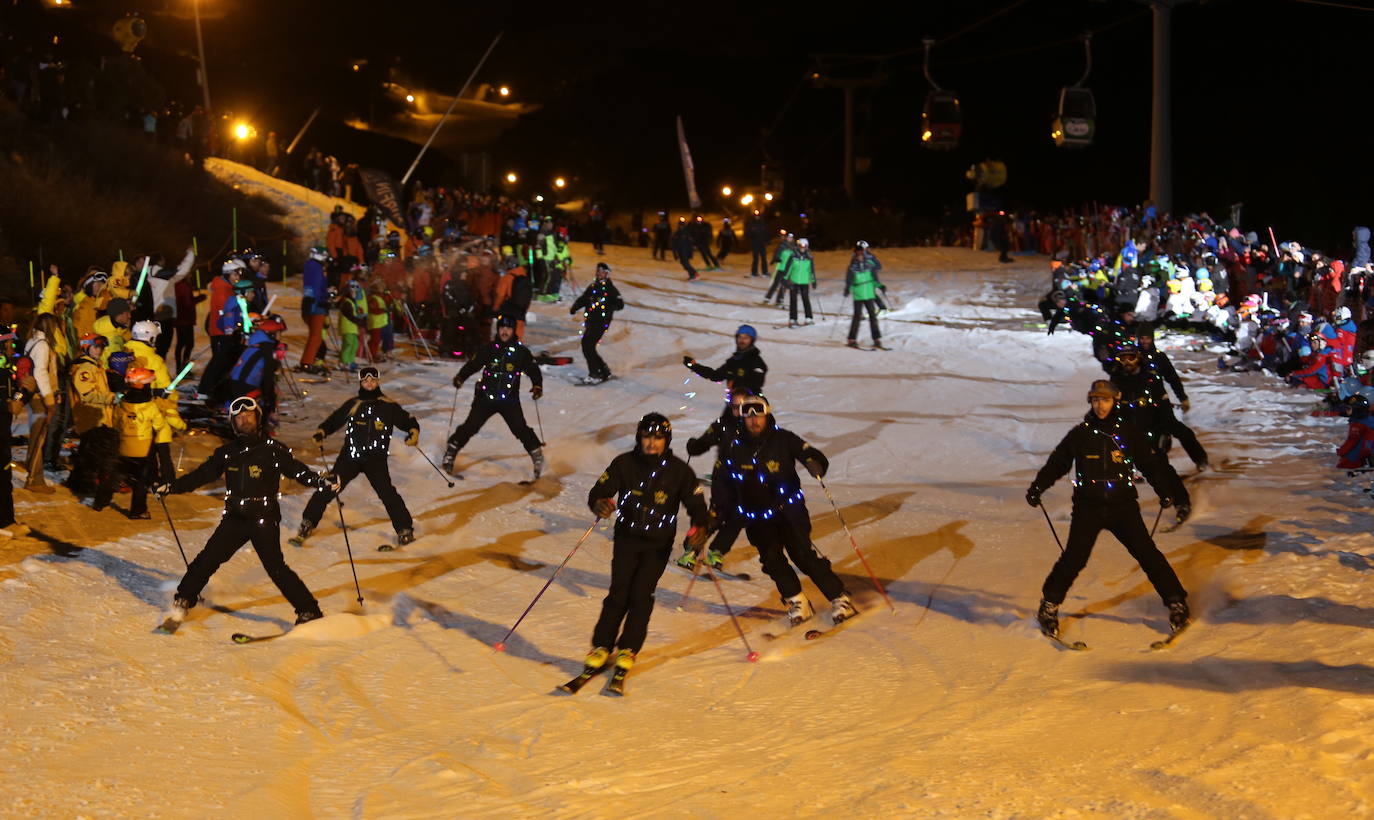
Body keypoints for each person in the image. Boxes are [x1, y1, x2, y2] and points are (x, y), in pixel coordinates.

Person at [154, 396, 338, 633]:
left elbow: (297, 471)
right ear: (233, 423)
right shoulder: (227, 452)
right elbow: (201, 476)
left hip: (264, 518)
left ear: (258, 418)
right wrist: (171, 487)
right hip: (235, 517)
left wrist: (321, 481)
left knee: (275, 567)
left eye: (248, 415)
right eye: (239, 417)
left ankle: (309, 610)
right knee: (206, 559)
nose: (244, 420)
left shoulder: (273, 450)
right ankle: (183, 600)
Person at [1025, 379, 1190, 640]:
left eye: (1105, 400)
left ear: (1115, 401)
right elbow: (1058, 462)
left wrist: (1164, 490)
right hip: (1087, 507)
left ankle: (1176, 601)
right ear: (1090, 402)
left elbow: (1149, 463)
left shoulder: (1128, 432)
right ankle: (1049, 605)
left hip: (1123, 506)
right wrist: (1038, 487)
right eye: (1096, 400)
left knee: (1147, 554)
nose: (1100, 405)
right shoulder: (1080, 434)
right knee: (1073, 559)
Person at [580, 413, 709, 677]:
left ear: (666, 439)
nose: (651, 443)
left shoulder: (679, 470)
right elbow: (599, 492)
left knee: (641, 594)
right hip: (627, 537)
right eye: (647, 436)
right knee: (619, 592)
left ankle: (628, 648)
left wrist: (699, 529)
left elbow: (697, 507)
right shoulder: (624, 463)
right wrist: (599, 503)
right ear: (639, 438)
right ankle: (601, 646)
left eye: (658, 437)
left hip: (658, 543)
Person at [716, 395, 855, 625]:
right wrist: (717, 510)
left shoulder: (783, 438)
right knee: (772, 560)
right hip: (757, 516)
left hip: (789, 510)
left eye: (758, 415)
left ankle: (839, 598)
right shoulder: (733, 445)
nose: (754, 421)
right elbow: (723, 481)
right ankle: (797, 600)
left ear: (766, 414)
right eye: (748, 417)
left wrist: (815, 463)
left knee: (802, 555)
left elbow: (811, 453)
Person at [294, 366, 420, 549]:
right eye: (365, 381)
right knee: (330, 486)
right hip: (350, 458)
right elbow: (335, 419)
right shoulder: (354, 403)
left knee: (387, 494)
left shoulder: (388, 405)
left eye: (373, 380)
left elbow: (407, 420)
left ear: (377, 382)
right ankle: (308, 522)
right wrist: (322, 431)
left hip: (376, 460)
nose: (369, 383)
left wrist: (413, 431)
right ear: (361, 383)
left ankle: (405, 530)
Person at [443, 315, 545, 480]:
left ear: (513, 331)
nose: (505, 331)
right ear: (498, 330)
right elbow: (473, 364)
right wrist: (461, 377)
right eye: (502, 328)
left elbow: (533, 370)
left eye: (508, 328)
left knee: (520, 428)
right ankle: (451, 451)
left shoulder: (521, 352)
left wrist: (537, 385)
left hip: (509, 400)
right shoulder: (489, 349)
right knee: (471, 426)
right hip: (485, 398)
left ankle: (537, 455)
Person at [95, 367, 167, 518]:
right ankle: (138, 511)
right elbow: (159, 425)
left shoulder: (122, 403)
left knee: (116, 475)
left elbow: (115, 422)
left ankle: (100, 501)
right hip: (144, 449)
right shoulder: (150, 406)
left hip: (124, 446)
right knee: (142, 481)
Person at [570, 262, 624, 385]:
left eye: (602, 272)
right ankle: (604, 370)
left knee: (587, 346)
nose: (599, 274)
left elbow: (620, 304)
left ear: (607, 274)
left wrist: (609, 308)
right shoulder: (593, 286)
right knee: (588, 346)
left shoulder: (610, 288)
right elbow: (584, 298)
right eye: (598, 272)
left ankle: (595, 374)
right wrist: (575, 307)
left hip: (601, 323)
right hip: (590, 322)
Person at [682, 324, 768, 398]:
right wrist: (695, 366)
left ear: (752, 340)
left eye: (746, 338)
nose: (742, 341)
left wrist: (734, 383)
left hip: (751, 403)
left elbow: (756, 383)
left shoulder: (756, 361)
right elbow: (716, 375)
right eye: (740, 337)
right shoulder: (734, 361)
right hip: (734, 402)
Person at [296, 245, 331, 376]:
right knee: (316, 336)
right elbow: (314, 285)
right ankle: (308, 362)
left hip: (314, 304)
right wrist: (321, 300)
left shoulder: (312, 266)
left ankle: (311, 360)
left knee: (316, 336)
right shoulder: (315, 267)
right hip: (316, 306)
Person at [845, 240, 887, 349]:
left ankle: (876, 338)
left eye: (861, 253)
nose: (859, 255)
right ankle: (852, 339)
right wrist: (848, 288)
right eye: (858, 253)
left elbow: (873, 278)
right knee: (857, 317)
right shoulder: (852, 267)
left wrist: (880, 286)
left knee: (873, 317)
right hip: (859, 295)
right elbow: (850, 281)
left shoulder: (869, 264)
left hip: (868, 294)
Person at [782, 237, 817, 327]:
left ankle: (808, 318)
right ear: (798, 246)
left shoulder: (809, 257)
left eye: (804, 246)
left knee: (806, 299)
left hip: (804, 281)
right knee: (793, 300)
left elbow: (811, 270)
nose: (802, 247)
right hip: (794, 281)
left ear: (807, 247)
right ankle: (793, 319)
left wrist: (813, 281)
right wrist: (785, 278)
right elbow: (788, 268)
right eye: (801, 246)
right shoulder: (793, 256)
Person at [763, 232, 796, 306]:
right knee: (776, 283)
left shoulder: (794, 247)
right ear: (786, 238)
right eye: (788, 237)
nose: (789, 239)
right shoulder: (782, 245)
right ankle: (767, 298)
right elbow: (777, 254)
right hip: (781, 267)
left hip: (789, 270)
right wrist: (776, 259)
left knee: (784, 285)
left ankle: (779, 300)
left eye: (791, 238)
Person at [744, 209, 770, 277]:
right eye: (756, 215)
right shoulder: (751, 223)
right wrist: (752, 237)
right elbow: (747, 233)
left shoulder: (763, 223)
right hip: (755, 244)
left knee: (764, 258)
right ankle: (754, 272)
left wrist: (767, 240)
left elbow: (767, 232)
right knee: (755, 258)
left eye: (758, 215)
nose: (757, 217)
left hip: (762, 244)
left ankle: (765, 272)